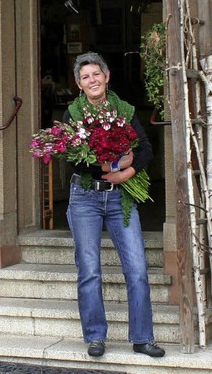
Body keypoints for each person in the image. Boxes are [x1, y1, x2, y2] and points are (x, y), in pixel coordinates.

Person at [63, 52, 165, 358]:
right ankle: (95, 336)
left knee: (137, 268)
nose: (92, 80)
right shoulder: (73, 115)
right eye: (85, 77)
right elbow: (71, 159)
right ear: (79, 84)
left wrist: (126, 173)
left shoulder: (124, 111)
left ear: (107, 77)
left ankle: (142, 338)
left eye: (96, 74)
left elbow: (146, 148)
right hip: (85, 198)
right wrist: (105, 165)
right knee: (90, 270)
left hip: (120, 196)